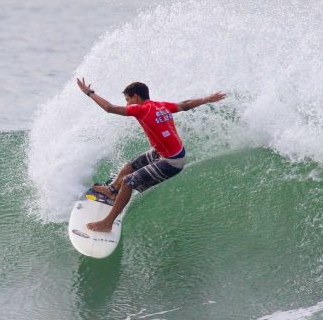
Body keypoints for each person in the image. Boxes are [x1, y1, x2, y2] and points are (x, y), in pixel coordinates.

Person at [76, 77, 226, 231]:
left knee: (128, 182)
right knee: (130, 166)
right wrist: (207, 99)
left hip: (172, 161)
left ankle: (107, 223)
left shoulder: (140, 110)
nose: (127, 104)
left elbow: (109, 108)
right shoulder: (161, 105)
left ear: (136, 97)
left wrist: (89, 92)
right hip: (166, 152)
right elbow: (185, 105)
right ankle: (112, 191)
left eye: (128, 100)